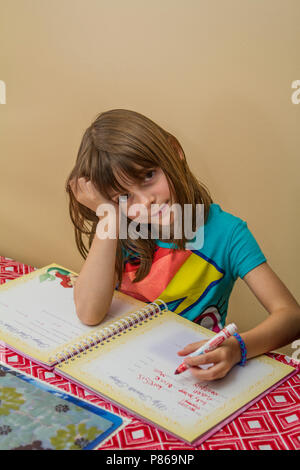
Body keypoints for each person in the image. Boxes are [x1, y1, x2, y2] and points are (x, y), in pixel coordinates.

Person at [66, 108, 300, 381]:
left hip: (189, 375)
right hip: (121, 370)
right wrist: (108, 215)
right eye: (124, 196)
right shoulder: (121, 226)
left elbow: (291, 316)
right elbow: (89, 313)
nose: (146, 202)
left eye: (148, 175)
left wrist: (238, 348)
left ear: (174, 152)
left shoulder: (227, 233)